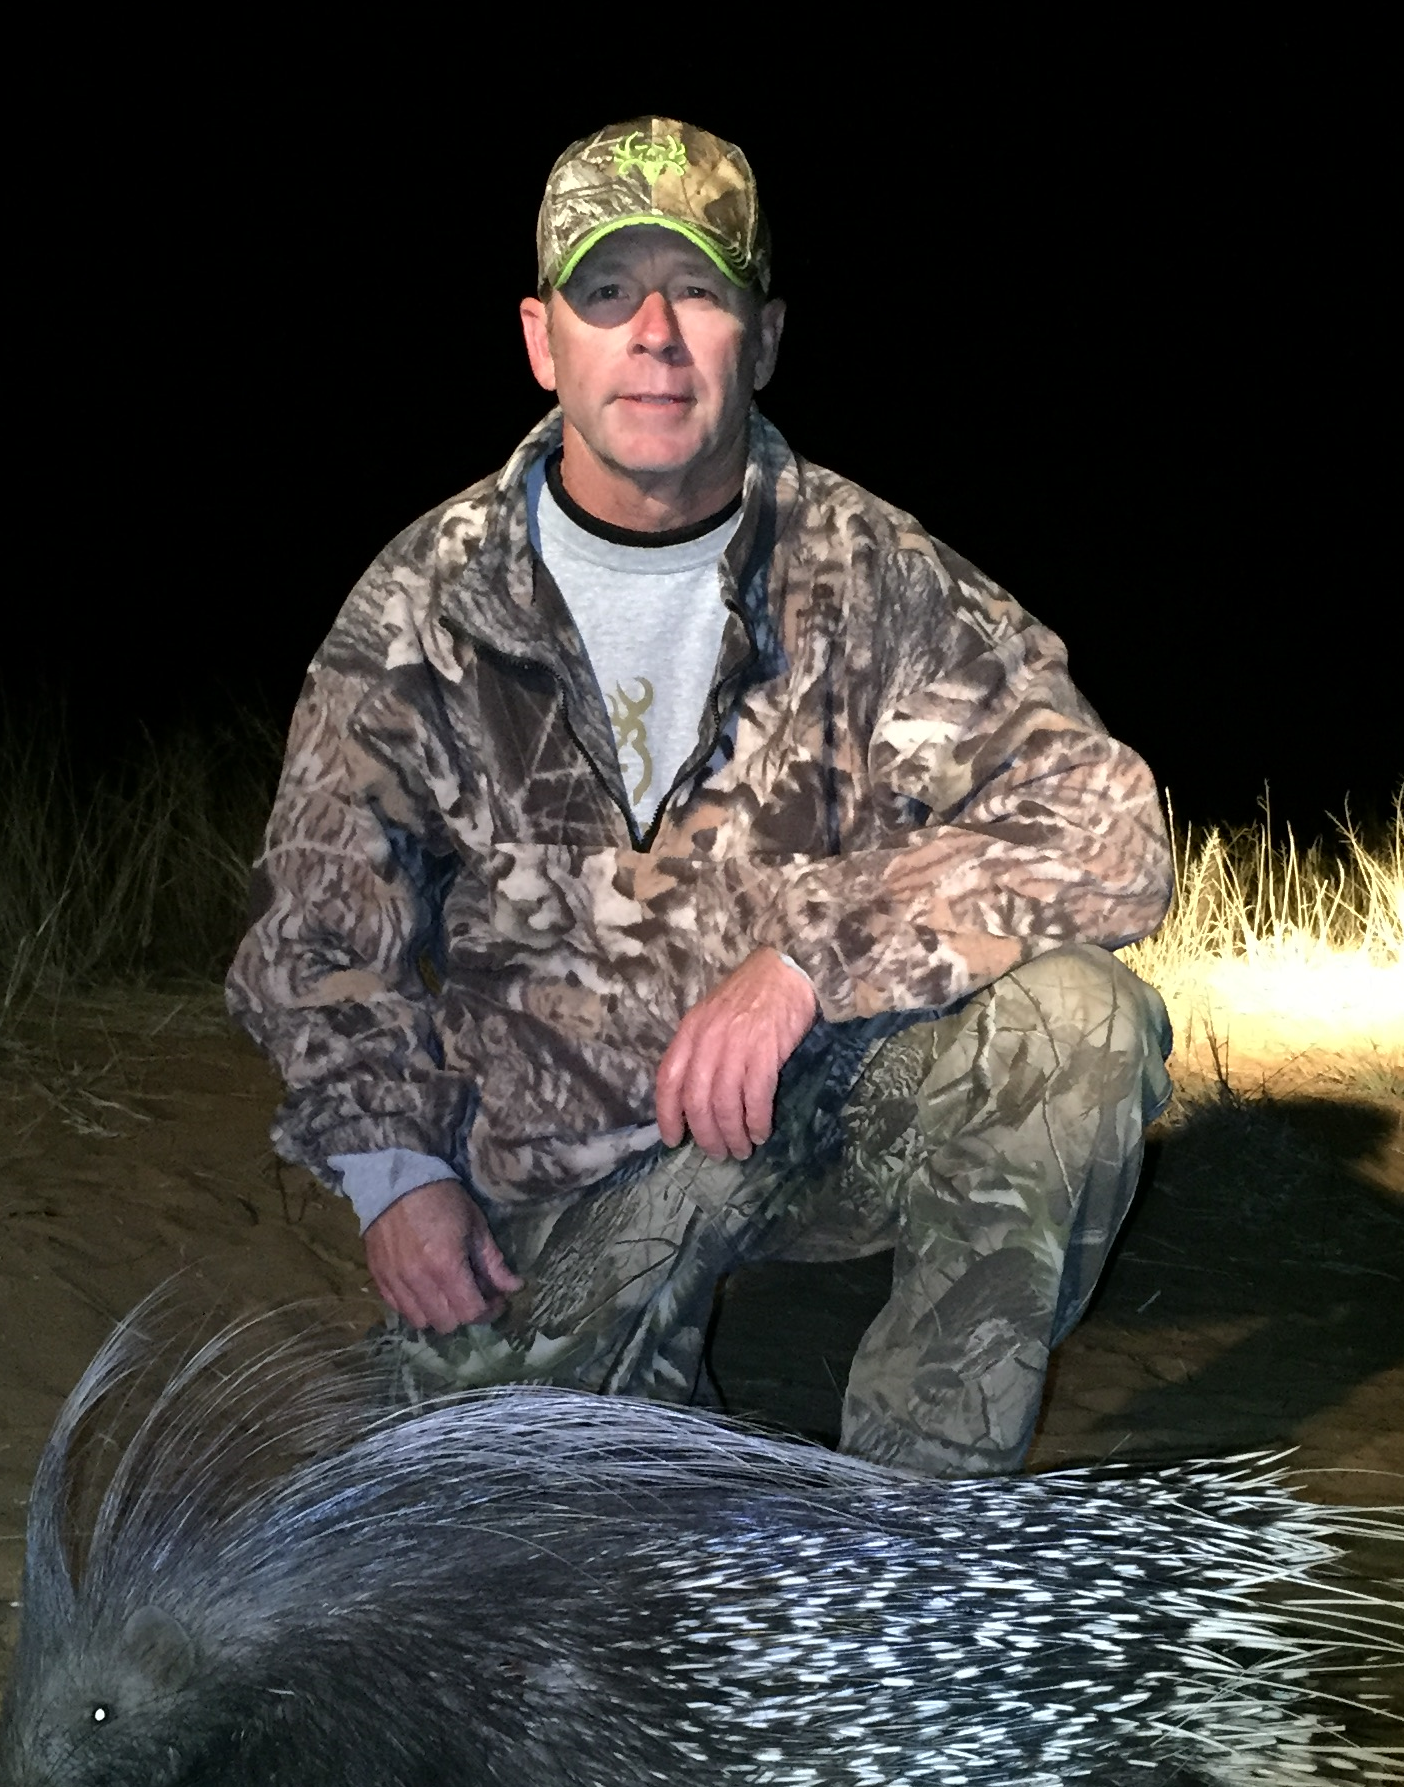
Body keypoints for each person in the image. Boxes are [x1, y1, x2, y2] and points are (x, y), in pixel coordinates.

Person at [226, 116, 1172, 1476]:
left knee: (1081, 1028)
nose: (656, 334)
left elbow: (1106, 820)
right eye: (608, 294)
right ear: (545, 341)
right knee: (484, 1520)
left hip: (820, 1099)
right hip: (555, 1162)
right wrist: (395, 1175)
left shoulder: (873, 571)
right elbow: (318, 939)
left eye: (702, 293)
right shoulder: (426, 601)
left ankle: (916, 1528)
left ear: (765, 335)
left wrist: (806, 959)